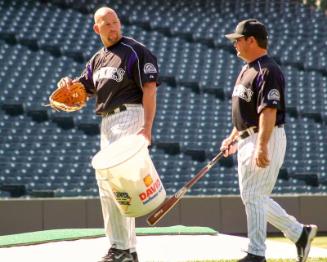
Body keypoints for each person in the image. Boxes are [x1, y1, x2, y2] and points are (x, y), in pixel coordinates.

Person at [57, 6, 159, 262]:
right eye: (107, 24)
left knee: (111, 183)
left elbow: (149, 88)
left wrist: (147, 127)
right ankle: (129, 250)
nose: (113, 28)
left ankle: (119, 248)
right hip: (108, 121)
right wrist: (69, 84)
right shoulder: (97, 59)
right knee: (120, 185)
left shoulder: (135, 50)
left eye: (115, 23)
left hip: (129, 115)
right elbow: (83, 88)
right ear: (97, 28)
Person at [221, 19, 318, 262]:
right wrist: (233, 137)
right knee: (254, 196)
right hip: (248, 137)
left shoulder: (268, 70)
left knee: (254, 195)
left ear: (251, 40)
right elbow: (245, 111)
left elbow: (268, 111)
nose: (235, 44)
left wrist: (262, 145)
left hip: (265, 136)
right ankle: (300, 234)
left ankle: (256, 253)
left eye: (238, 39)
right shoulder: (248, 68)